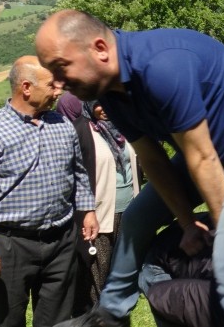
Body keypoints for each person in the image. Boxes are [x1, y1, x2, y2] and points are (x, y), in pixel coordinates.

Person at [35, 9, 224, 327]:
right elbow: (153, 159)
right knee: (136, 218)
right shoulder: (111, 91)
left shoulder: (161, 67)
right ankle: (111, 315)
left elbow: (203, 158)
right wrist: (186, 222)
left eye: (61, 67)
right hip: (201, 149)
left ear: (100, 49)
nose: (57, 83)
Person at [0, 56, 98, 326]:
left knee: (57, 319)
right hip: (11, 245)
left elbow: (78, 172)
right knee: (6, 320)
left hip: (61, 240)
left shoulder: (61, 125)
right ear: (26, 87)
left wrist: (87, 210)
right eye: (52, 85)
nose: (59, 91)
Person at [72, 99, 142, 315]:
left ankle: (116, 316)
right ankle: (94, 317)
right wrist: (85, 211)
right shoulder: (80, 131)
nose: (105, 108)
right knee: (98, 272)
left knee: (122, 270)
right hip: (98, 214)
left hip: (130, 210)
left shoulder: (126, 125)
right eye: (99, 104)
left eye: (108, 102)